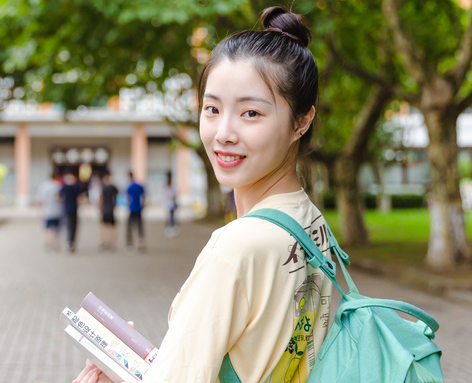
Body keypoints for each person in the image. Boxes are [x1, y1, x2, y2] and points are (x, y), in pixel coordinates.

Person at [74, 7, 333, 383]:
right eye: (212, 109)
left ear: (301, 121)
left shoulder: (235, 248)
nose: (223, 132)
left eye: (250, 114)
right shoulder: (311, 220)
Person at [36, 172, 63, 251]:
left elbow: (40, 200)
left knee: (47, 228)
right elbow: (61, 199)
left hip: (47, 211)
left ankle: (47, 241)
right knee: (57, 229)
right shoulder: (58, 185)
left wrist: (38, 210)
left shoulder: (43, 186)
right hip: (58, 211)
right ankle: (56, 244)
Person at [60, 172, 85, 253]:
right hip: (73, 209)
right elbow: (80, 198)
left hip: (67, 209)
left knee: (69, 226)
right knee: (73, 226)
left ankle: (69, 241)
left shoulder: (65, 187)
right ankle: (71, 242)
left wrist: (62, 201)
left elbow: (58, 196)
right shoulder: (76, 187)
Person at [125, 171, 146, 251]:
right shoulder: (139, 186)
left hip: (132, 208)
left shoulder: (129, 186)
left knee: (129, 227)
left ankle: (130, 243)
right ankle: (141, 241)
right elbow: (143, 196)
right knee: (140, 226)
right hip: (139, 208)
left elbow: (128, 198)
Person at [98, 173, 119, 251]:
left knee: (104, 226)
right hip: (111, 209)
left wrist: (99, 207)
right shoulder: (114, 188)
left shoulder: (103, 188)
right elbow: (116, 197)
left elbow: (101, 198)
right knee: (112, 227)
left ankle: (105, 241)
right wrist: (115, 205)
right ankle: (112, 243)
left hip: (105, 209)